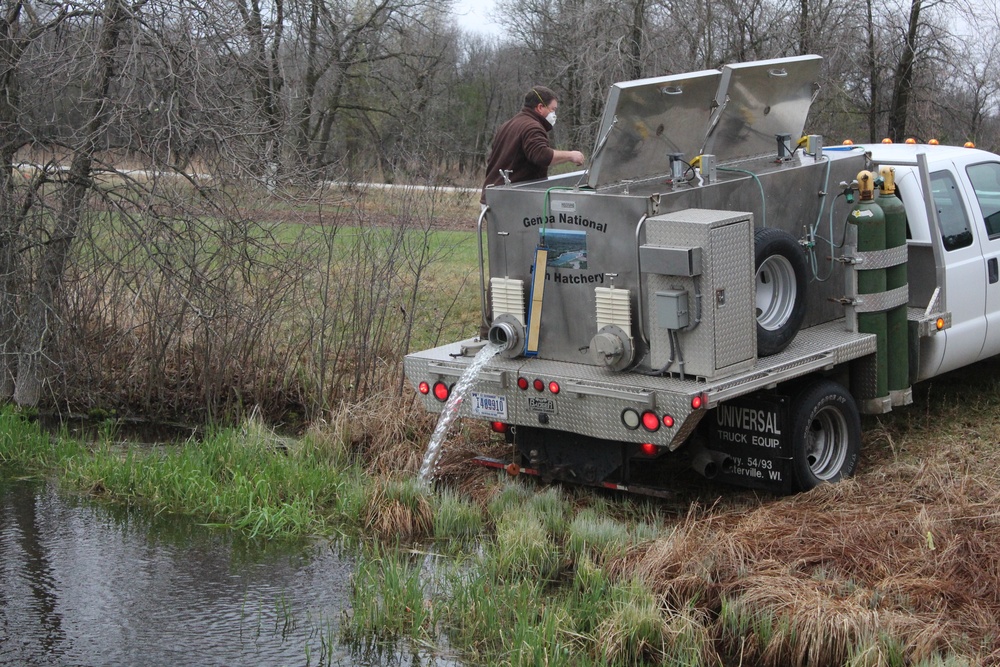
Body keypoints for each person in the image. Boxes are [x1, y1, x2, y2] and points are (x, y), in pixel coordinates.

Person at [480, 86, 585, 204]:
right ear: (540, 107)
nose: (554, 114)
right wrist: (571, 155)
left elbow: (491, 159)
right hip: (510, 201)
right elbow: (541, 155)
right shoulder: (532, 127)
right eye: (553, 109)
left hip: (492, 196)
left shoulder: (507, 125)